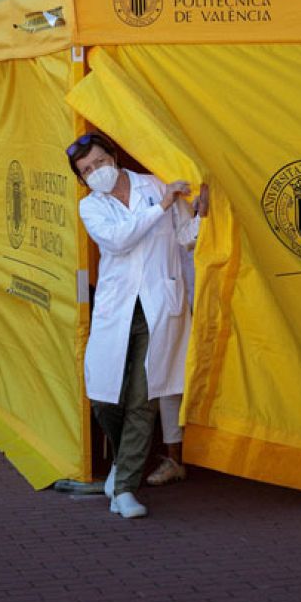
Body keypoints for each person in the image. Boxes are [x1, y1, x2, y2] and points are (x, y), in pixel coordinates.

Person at [68, 133, 194, 519]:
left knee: (144, 397)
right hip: (117, 310)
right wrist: (162, 208)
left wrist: (200, 215)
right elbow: (119, 240)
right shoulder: (91, 207)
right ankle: (125, 462)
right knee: (103, 396)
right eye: (87, 170)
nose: (96, 172)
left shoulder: (154, 185)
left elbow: (185, 239)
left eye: (99, 162)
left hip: (159, 306)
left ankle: (123, 489)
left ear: (114, 156)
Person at [149, 182, 208, 487]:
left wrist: (203, 214)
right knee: (169, 376)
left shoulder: (187, 181)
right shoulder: (161, 183)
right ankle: (175, 458)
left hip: (204, 291)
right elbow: (186, 237)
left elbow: (188, 234)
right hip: (172, 294)